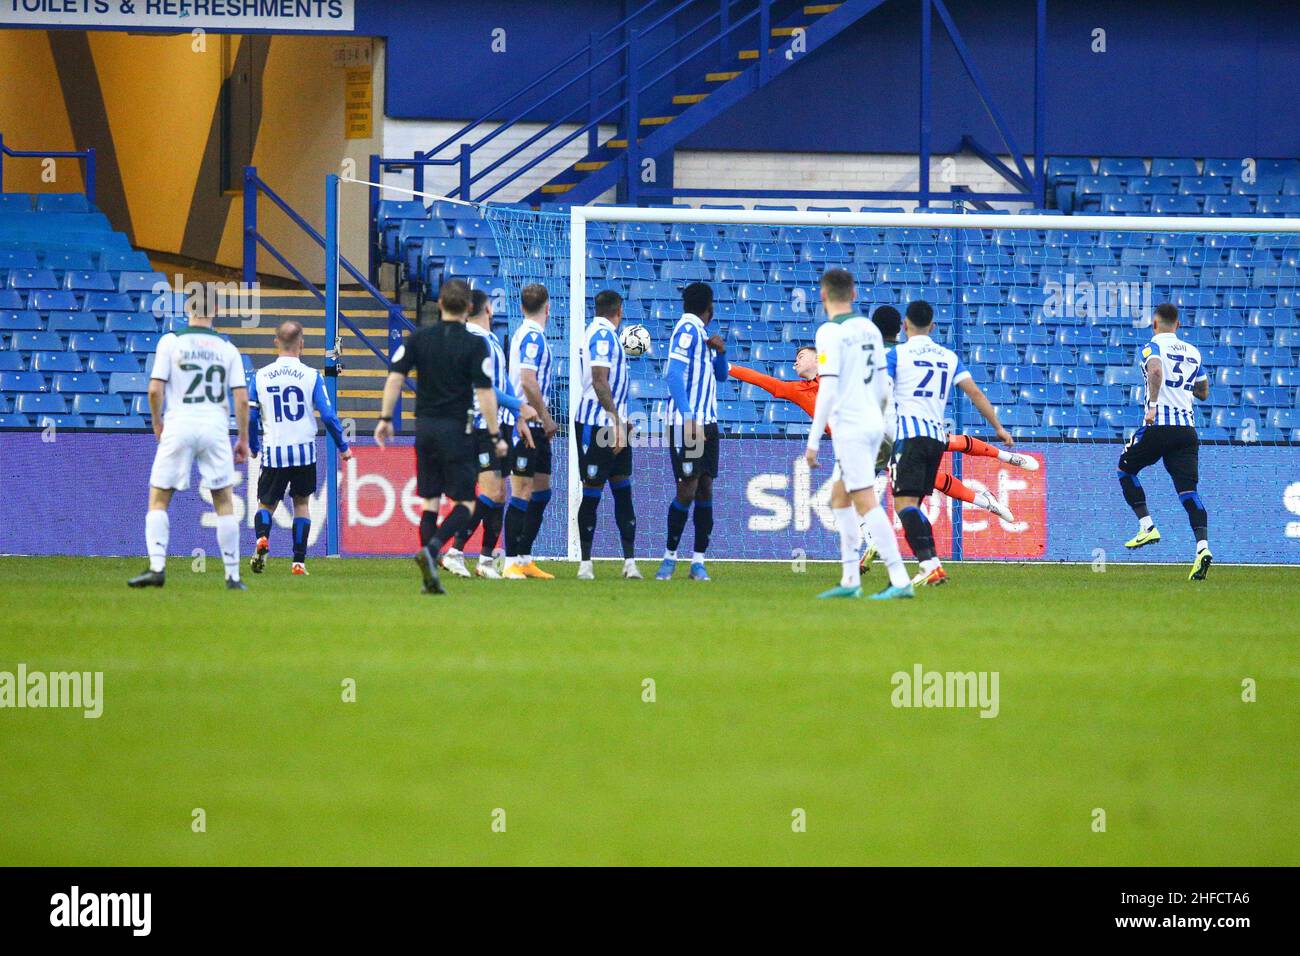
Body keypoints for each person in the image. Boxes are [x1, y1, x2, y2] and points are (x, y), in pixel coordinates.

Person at [374, 279, 505, 595]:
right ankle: (432, 550)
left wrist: (385, 418)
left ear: (440, 304)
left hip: (425, 429)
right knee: (466, 503)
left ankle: (429, 579)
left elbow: (394, 379)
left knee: (430, 504)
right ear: (470, 308)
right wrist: (495, 433)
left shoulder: (420, 338)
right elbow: (485, 392)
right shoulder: (476, 345)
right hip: (456, 429)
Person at [804, 269, 913, 599]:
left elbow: (828, 388)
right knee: (839, 497)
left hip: (850, 426)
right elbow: (883, 386)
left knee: (864, 501)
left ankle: (899, 578)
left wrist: (812, 443)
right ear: (853, 294)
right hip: (875, 422)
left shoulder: (828, 333)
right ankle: (850, 579)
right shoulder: (869, 329)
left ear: (823, 296)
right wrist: (879, 422)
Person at [889, 299, 1014, 587]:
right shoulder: (948, 356)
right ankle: (932, 565)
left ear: (905, 325)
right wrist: (998, 428)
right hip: (936, 438)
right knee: (914, 504)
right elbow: (976, 394)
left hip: (909, 436)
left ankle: (928, 564)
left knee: (904, 504)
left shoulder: (897, 354)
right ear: (932, 326)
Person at [128, 304, 250, 590]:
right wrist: (243, 439)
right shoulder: (227, 348)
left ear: (187, 308)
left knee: (159, 497)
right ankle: (232, 576)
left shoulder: (171, 341)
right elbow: (242, 399)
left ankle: (157, 568)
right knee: (223, 500)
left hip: (179, 424)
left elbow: (155, 389)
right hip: (215, 427)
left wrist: (157, 423)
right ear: (217, 310)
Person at [442, 290, 536, 579]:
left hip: (498, 422)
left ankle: (484, 561)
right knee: (492, 491)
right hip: (479, 425)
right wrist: (518, 404)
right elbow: (485, 387)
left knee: (499, 495)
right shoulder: (473, 341)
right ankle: (454, 552)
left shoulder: (491, 340)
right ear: (488, 309)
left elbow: (502, 381)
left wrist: (517, 413)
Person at [247, 320, 352, 576]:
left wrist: (253, 445)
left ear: (276, 343)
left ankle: (262, 539)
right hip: (304, 452)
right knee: (302, 504)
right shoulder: (312, 375)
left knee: (266, 504)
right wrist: (343, 445)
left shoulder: (260, 376)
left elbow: (250, 416)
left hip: (275, 452)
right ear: (302, 344)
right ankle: (298, 562)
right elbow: (328, 415)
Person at [1117, 302, 1212, 580]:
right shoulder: (1193, 352)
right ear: (1178, 325)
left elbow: (1156, 371)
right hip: (1187, 432)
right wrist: (1181, 388)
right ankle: (1202, 548)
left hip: (1159, 425)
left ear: (1154, 324)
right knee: (1188, 492)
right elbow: (1204, 391)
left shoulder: (1151, 347)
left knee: (1125, 469)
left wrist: (1154, 404)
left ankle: (1147, 526)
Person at [656, 282, 729, 581]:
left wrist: (721, 352)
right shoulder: (687, 330)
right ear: (708, 307)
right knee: (687, 488)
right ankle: (669, 557)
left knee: (705, 487)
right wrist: (688, 417)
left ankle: (698, 561)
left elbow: (721, 376)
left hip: (708, 423)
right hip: (689, 424)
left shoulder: (702, 335)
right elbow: (672, 374)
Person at [574, 289, 641, 580]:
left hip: (615, 426)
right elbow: (600, 381)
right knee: (593, 492)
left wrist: (622, 422)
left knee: (623, 492)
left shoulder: (608, 334)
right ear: (619, 310)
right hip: (597, 425)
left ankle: (629, 563)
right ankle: (585, 564)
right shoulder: (602, 335)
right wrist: (615, 421)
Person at [502, 283, 558, 580]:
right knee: (521, 492)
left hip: (536, 427)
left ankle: (524, 558)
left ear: (522, 306)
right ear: (547, 307)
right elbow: (527, 381)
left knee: (542, 492)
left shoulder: (525, 333)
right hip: (527, 425)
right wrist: (547, 418)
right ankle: (510, 560)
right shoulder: (532, 337)